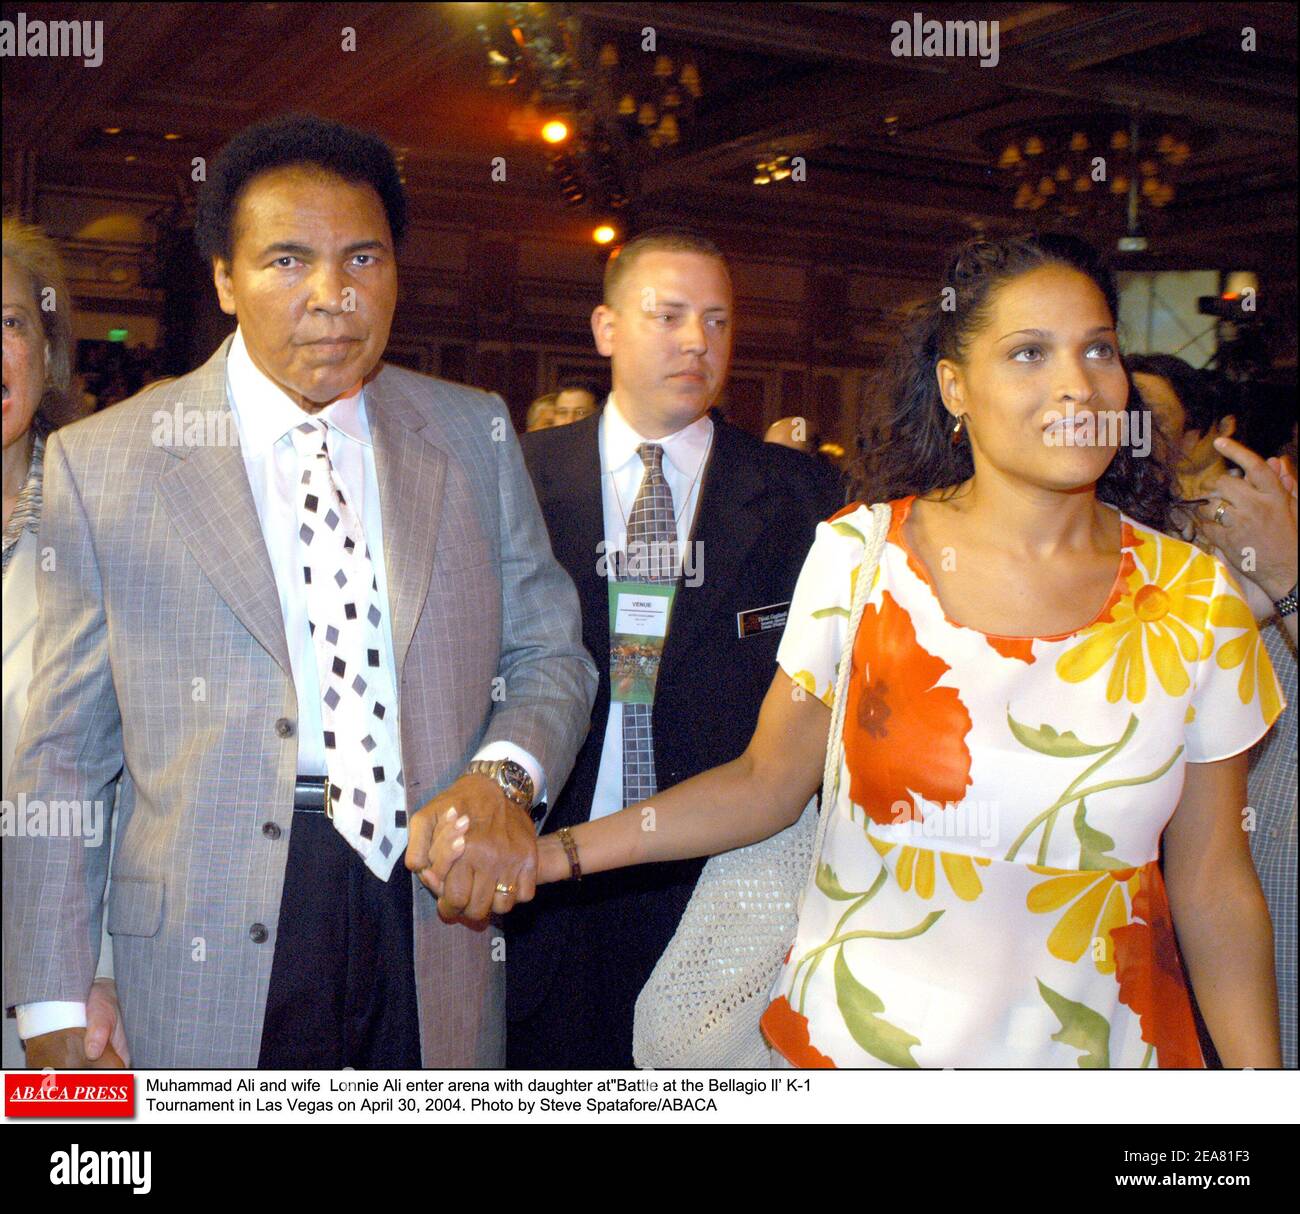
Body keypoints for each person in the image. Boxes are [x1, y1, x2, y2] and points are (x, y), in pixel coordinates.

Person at [430, 232, 1285, 1068]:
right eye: (1029, 353)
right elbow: (768, 782)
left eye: (1098, 350)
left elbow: (1214, 883)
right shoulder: (863, 556)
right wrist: (558, 853)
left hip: (1102, 1057)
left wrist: (1259, 1094)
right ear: (955, 387)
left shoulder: (1195, 599)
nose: (1078, 385)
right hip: (859, 1054)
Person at [4, 114, 596, 1069]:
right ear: (226, 281)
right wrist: (48, 997)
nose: (334, 296)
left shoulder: (471, 434)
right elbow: (61, 754)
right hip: (205, 926)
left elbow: (548, 654)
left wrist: (504, 778)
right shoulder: (104, 464)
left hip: (430, 905)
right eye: (287, 261)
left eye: (363, 258)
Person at [442, 227, 841, 1067]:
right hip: (540, 862)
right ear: (605, 329)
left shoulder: (802, 497)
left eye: (718, 321)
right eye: (669, 316)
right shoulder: (514, 475)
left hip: (724, 879)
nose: (697, 341)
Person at [2, 220, 124, 1071]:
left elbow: (153, 770)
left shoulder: (112, 523)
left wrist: (105, 967)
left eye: (9, 323)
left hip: (60, 981)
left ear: (48, 355)